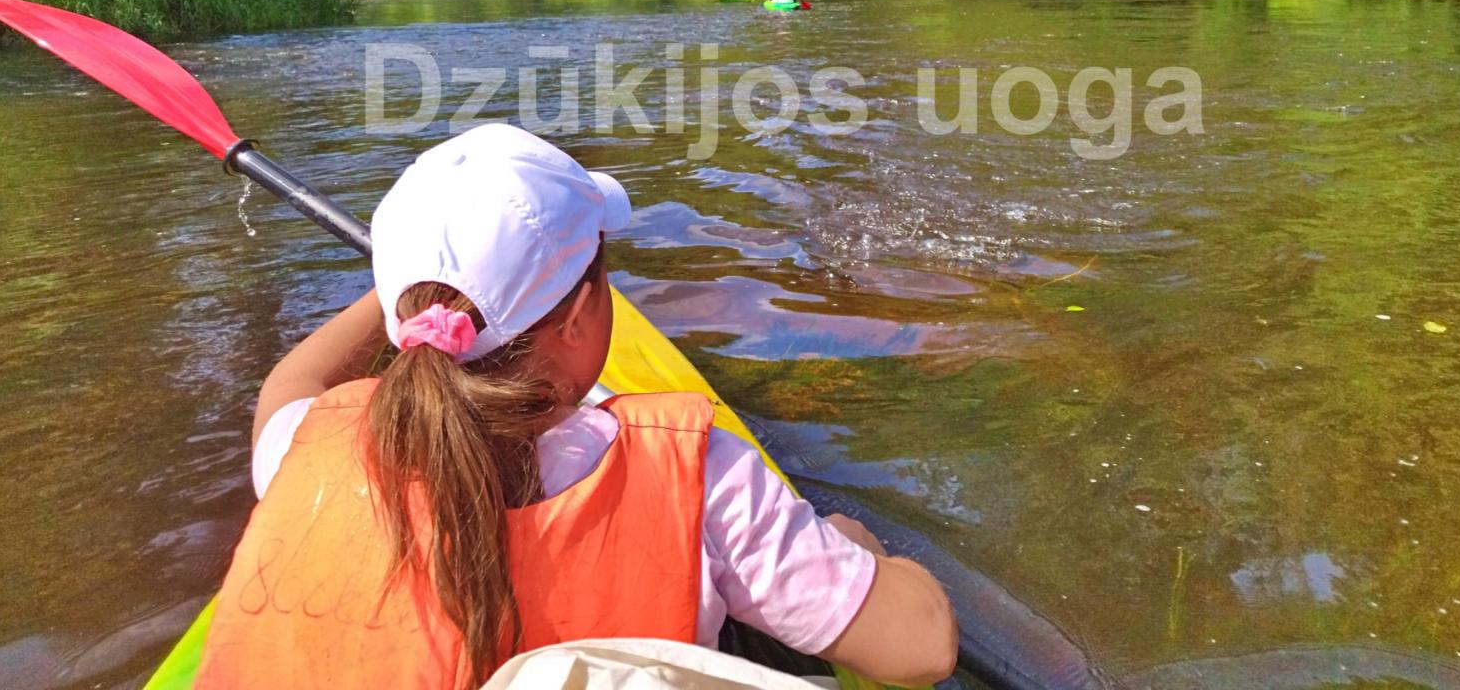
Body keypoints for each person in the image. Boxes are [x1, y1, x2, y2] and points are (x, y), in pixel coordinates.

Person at [195, 124, 956, 690]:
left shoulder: (308, 447)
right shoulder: (701, 480)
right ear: (580, 313)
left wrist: (416, 288)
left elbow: (291, 385)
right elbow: (923, 649)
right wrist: (862, 550)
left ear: (401, 315)